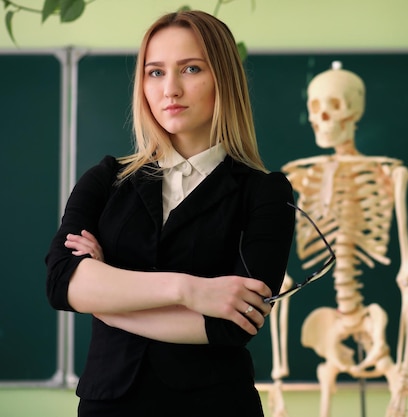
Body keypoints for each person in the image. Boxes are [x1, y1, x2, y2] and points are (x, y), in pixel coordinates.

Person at [45, 10, 295, 417]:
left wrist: (105, 295)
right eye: (155, 72)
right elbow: (61, 283)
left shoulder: (265, 193)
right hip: (108, 406)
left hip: (215, 406)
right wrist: (190, 290)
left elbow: (230, 326)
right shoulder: (107, 179)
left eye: (190, 69)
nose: (170, 90)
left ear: (223, 80)